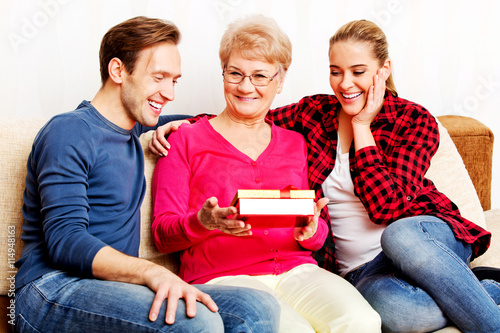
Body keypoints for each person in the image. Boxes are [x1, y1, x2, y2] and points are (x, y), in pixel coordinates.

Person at [150, 19, 500, 333]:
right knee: (401, 315)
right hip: (364, 269)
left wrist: (362, 127)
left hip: (423, 237)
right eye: (336, 71)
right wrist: (180, 125)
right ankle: (480, 290)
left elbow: (386, 207)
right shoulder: (314, 115)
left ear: (383, 70)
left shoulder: (413, 121)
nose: (345, 83)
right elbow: (244, 116)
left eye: (358, 71)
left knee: (400, 236)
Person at [14, 16, 280, 333]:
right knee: (198, 321)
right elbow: (65, 241)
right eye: (158, 77)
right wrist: (150, 272)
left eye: (174, 81)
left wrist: (183, 126)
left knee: (256, 307)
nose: (168, 92)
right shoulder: (69, 131)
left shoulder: (133, 127)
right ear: (118, 71)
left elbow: (208, 121)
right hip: (50, 290)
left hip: (114, 288)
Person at [151, 14, 381, 333]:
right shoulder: (184, 140)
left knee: (363, 321)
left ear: (279, 80)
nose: (246, 87)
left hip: (298, 271)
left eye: (260, 76)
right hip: (223, 278)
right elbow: (162, 234)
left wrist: (311, 230)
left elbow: (317, 228)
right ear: (223, 74)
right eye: (235, 73)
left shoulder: (295, 142)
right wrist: (202, 223)